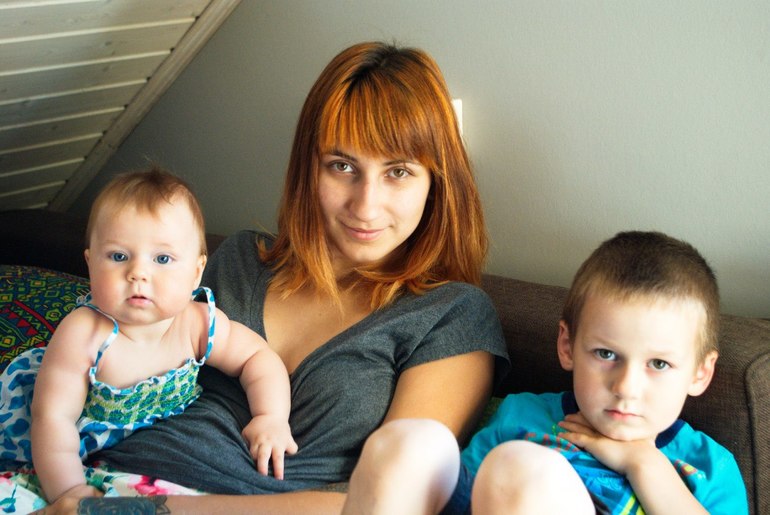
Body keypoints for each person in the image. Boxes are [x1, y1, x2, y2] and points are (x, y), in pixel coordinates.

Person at [39, 41, 510, 514]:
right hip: (98, 484)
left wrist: (140, 512)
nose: (366, 205)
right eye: (342, 166)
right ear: (309, 169)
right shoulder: (240, 261)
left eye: (399, 172)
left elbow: (393, 502)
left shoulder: (451, 315)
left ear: (436, 183)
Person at [349, 230, 748, 514]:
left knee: (524, 470)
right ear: (567, 346)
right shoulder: (523, 416)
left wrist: (642, 463)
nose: (626, 387)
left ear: (699, 373)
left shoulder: (708, 467)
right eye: (606, 354)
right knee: (411, 441)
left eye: (659, 364)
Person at [0, 167, 296, 505]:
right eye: (118, 256)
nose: (138, 273)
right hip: (47, 450)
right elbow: (53, 421)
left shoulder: (198, 323)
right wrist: (70, 493)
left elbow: (257, 358)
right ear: (90, 264)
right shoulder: (85, 334)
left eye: (162, 258)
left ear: (196, 271)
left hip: (135, 452)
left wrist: (270, 417)